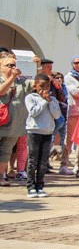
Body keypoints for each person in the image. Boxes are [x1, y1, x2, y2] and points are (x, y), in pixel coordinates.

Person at [24, 73, 61, 198]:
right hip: (34, 131)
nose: (44, 89)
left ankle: (40, 186)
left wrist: (50, 101)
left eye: (47, 86)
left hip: (47, 132)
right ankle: (30, 186)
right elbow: (33, 112)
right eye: (41, 86)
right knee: (33, 160)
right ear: (35, 86)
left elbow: (56, 115)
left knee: (43, 162)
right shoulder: (31, 97)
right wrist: (44, 101)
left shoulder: (52, 99)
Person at [0, 52, 32, 184]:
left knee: (6, 151)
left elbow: (36, 84)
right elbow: (1, 91)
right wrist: (11, 78)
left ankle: (1, 176)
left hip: (13, 124)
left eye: (14, 65)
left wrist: (39, 69)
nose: (12, 68)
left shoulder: (21, 81)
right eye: (9, 65)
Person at [64, 56, 79, 172]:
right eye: (76, 62)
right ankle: (64, 163)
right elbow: (75, 92)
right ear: (72, 64)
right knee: (69, 139)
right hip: (73, 111)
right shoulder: (69, 77)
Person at [49, 71, 70, 173]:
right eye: (56, 77)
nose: (59, 79)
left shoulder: (64, 88)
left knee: (64, 140)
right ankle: (46, 162)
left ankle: (63, 163)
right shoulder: (51, 87)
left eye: (60, 77)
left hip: (63, 116)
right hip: (53, 117)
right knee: (50, 139)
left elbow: (65, 99)